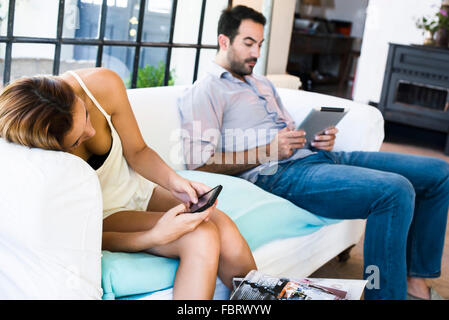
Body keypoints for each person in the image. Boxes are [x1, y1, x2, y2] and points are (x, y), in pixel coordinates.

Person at [178, 5, 449, 300]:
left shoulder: (261, 82)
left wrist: (316, 138)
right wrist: (268, 151)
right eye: (248, 43)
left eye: (260, 44)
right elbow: (200, 163)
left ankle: (415, 279)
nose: (256, 52)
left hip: (318, 158)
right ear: (224, 41)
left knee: (439, 173)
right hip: (281, 174)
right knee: (394, 191)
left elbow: (288, 131)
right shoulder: (206, 91)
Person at [0, 67, 257, 300]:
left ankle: (265, 299)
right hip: (105, 214)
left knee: (220, 222)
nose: (90, 132)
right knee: (202, 235)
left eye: (87, 114)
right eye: (77, 141)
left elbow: (138, 151)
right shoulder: (36, 161)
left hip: (140, 188)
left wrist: (176, 182)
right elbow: (83, 236)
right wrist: (153, 236)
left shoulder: (102, 84)